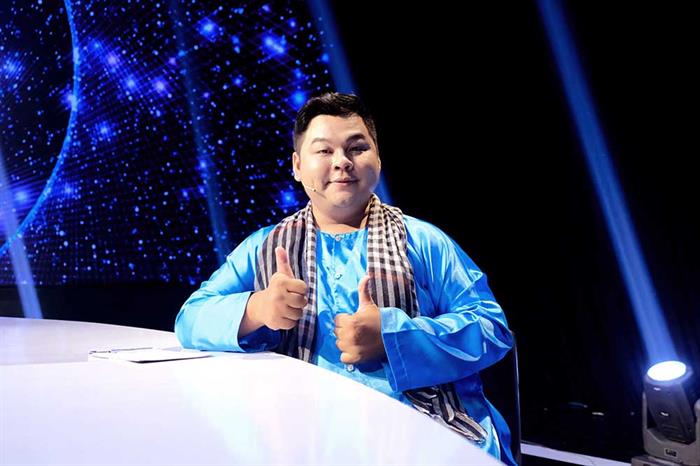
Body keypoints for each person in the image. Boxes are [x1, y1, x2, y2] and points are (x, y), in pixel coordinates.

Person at [175, 92, 516, 465]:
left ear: (377, 159)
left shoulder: (422, 241)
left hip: (420, 430)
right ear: (297, 165)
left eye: (357, 148)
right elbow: (190, 318)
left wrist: (393, 336)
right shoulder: (266, 247)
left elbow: (492, 328)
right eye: (324, 151)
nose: (342, 162)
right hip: (302, 433)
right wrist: (257, 309)